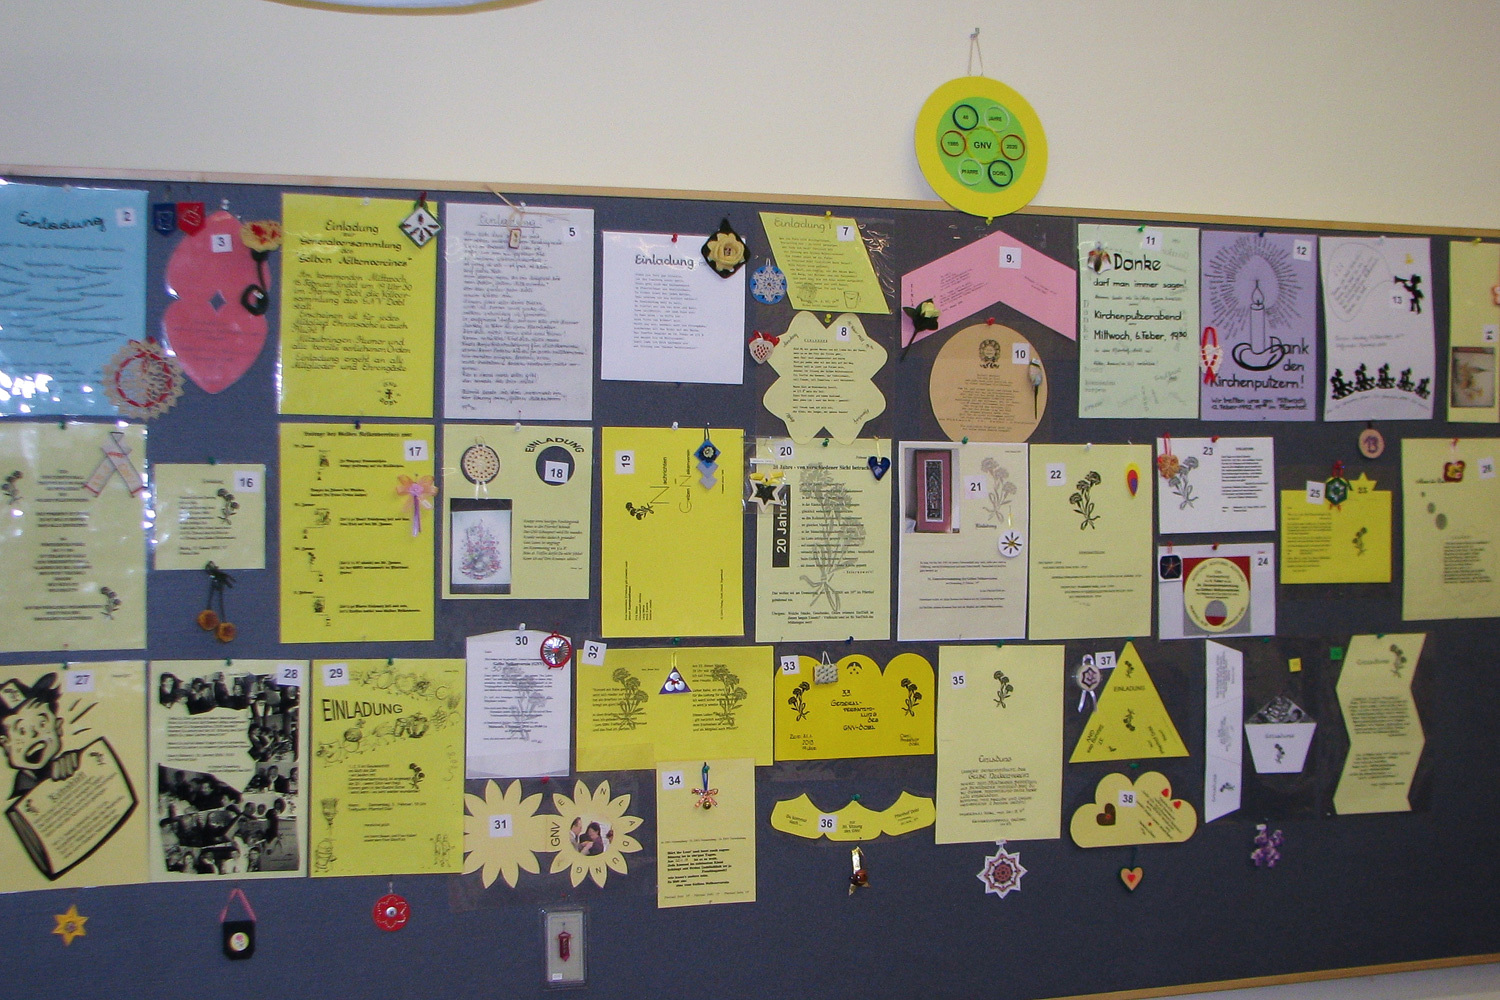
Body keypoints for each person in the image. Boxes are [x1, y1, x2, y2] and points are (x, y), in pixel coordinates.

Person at [0, 674, 81, 798]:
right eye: (21, 730)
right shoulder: (15, 799)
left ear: (58, 726)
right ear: (6, 744)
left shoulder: (72, 763)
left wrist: (81, 762)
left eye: (42, 723)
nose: (34, 734)